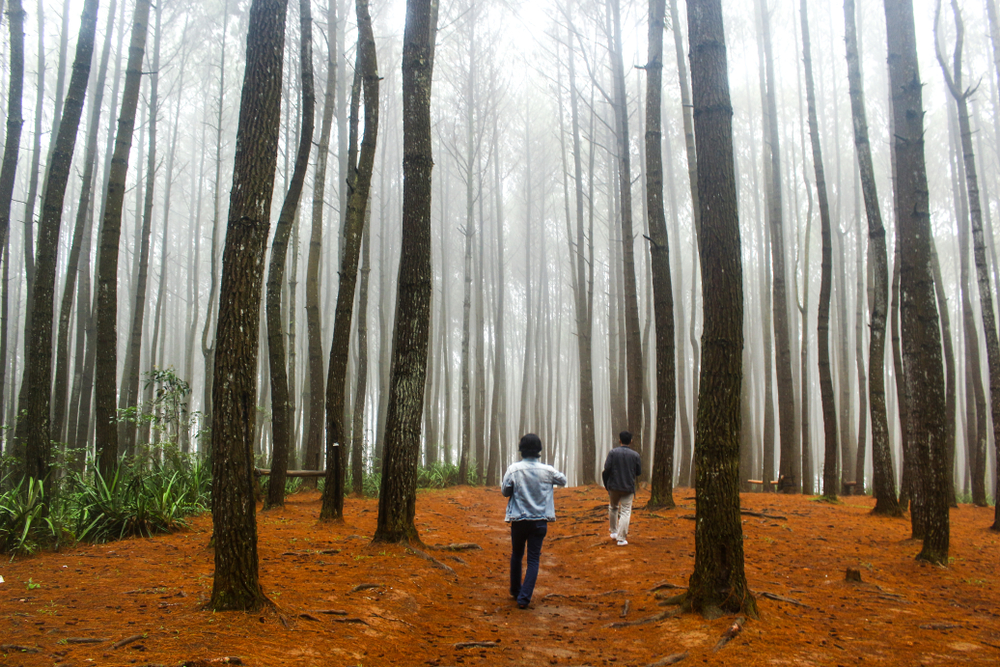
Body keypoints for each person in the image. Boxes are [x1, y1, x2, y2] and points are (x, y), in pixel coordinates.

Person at [501, 433, 567, 609]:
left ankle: (515, 590)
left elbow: (505, 491)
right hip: (539, 521)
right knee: (533, 559)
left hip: (519, 519)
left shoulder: (513, 469)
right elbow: (563, 480)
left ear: (521, 449)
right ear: (539, 449)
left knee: (517, 554)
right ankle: (524, 598)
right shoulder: (547, 470)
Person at [602, 430, 641, 546]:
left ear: (619, 440)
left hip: (614, 486)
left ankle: (613, 531)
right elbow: (638, 472)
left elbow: (606, 468)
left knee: (613, 507)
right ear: (631, 441)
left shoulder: (613, 453)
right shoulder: (635, 455)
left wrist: (607, 484)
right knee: (625, 511)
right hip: (628, 487)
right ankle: (621, 538)